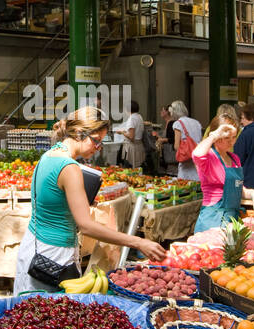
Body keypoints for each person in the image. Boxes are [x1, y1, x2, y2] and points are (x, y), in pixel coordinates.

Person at [13, 107, 166, 293]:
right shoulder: (70, 167)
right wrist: (138, 242)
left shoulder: (48, 156)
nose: (98, 147)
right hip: (54, 258)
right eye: (96, 141)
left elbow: (51, 203)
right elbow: (86, 226)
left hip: (34, 249)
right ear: (78, 133)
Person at [192, 114, 244, 232]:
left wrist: (252, 194)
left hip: (233, 219)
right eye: (227, 138)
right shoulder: (209, 155)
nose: (231, 142)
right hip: (213, 219)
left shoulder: (235, 159)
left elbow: (237, 185)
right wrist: (214, 135)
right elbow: (196, 154)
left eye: (234, 137)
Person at [168, 100, 203, 180]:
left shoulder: (177, 123)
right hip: (197, 159)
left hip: (185, 161)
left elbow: (177, 146)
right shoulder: (197, 122)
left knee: (185, 186)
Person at [115, 100, 146, 169]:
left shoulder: (131, 119)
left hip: (132, 147)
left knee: (130, 169)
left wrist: (122, 132)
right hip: (139, 146)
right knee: (138, 169)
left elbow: (131, 136)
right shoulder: (139, 117)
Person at [156, 106, 177, 172]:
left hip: (171, 153)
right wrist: (157, 135)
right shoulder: (168, 122)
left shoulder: (171, 123)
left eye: (163, 110)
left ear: (168, 112)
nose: (161, 112)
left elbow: (172, 139)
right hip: (167, 152)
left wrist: (161, 140)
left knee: (172, 171)